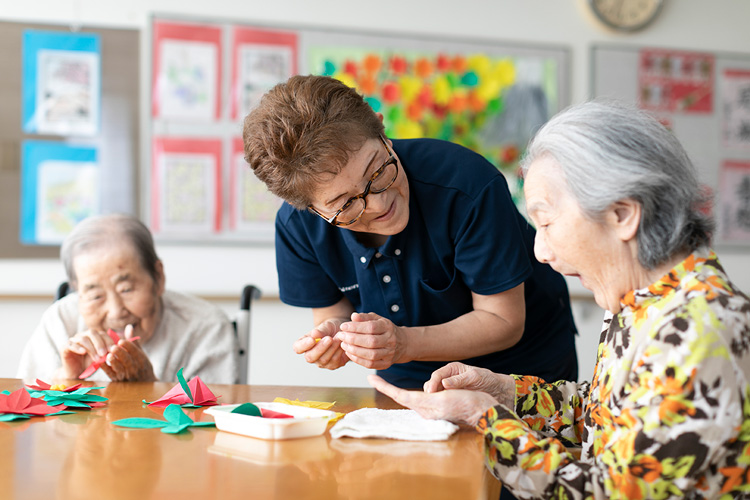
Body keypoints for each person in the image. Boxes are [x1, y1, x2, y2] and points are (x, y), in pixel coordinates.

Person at [369, 100, 750, 499]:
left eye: (547, 222)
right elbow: (606, 417)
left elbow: (610, 492)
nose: (540, 252)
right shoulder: (647, 302)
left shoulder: (698, 331)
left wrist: (484, 419)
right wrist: (502, 393)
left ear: (622, 214)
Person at [243, 74, 578, 389]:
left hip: (522, 367)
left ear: (381, 128)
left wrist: (403, 343)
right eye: (346, 204)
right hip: (409, 370)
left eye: (377, 171)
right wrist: (337, 336)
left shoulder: (465, 184)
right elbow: (336, 313)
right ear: (311, 209)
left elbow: (503, 321)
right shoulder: (297, 227)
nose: (377, 203)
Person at [16, 214, 239, 384]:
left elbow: (213, 422)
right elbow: (26, 409)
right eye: (95, 295)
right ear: (78, 292)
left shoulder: (206, 326)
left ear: (158, 277)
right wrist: (67, 378)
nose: (115, 311)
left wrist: (148, 388)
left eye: (126, 289)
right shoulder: (61, 319)